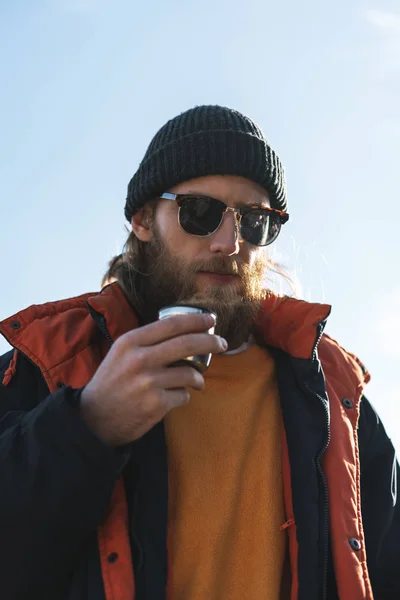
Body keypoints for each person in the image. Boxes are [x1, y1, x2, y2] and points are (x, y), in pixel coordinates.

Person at [0, 105, 398, 600]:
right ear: (144, 220)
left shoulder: (335, 392)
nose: (229, 243)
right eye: (201, 212)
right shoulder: (47, 363)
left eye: (254, 221)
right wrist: (88, 425)